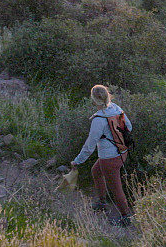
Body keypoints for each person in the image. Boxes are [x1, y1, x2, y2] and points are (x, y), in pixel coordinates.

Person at [70, 85, 132, 226]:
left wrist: (77, 161)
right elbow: (129, 127)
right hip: (122, 152)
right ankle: (102, 202)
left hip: (109, 158)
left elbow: (89, 146)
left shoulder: (99, 120)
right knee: (96, 171)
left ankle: (126, 217)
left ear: (93, 100)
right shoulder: (116, 108)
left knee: (116, 188)